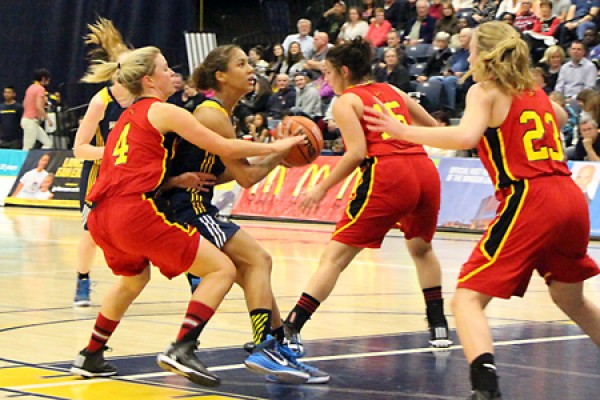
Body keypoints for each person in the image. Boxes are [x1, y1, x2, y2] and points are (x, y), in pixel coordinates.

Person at [363, 21, 600, 400]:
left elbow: (464, 137)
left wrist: (403, 130)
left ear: (485, 56)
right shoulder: (533, 92)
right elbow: (559, 117)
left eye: (472, 49)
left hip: (530, 197)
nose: (468, 56)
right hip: (570, 197)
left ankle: (485, 390)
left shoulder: (484, 91)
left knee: (466, 299)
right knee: (571, 299)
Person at [68, 45, 305, 386]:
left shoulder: (124, 119)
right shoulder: (163, 111)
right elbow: (226, 148)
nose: (172, 74)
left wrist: (173, 179)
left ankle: (90, 354)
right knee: (223, 269)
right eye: (165, 69)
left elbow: (124, 165)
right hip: (135, 211)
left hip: (102, 215)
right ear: (149, 80)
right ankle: (183, 347)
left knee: (133, 280)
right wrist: (276, 147)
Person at [159, 44, 329, 384]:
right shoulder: (212, 114)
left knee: (255, 273)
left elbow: (226, 174)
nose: (251, 68)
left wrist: (277, 157)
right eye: (241, 64)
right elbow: (248, 177)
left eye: (250, 62)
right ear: (221, 75)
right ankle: (262, 348)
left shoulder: (224, 114)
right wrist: (278, 152)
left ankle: (277, 347)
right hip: (185, 206)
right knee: (259, 261)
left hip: (192, 203)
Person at [282, 37, 452, 361]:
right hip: (424, 171)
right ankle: (439, 324)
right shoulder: (393, 91)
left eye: (329, 73)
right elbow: (432, 127)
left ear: (344, 71)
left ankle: (291, 327)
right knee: (421, 248)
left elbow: (357, 153)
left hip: (389, 176)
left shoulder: (346, 101)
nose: (326, 80)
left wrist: (320, 188)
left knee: (334, 258)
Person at [71, 18, 136, 307]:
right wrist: (113, 152)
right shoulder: (101, 102)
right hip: (100, 175)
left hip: (133, 176)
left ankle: (193, 274)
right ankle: (82, 280)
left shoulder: (143, 101)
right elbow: (79, 149)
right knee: (91, 233)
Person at [21, 68, 53, 150]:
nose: (49, 80)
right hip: (31, 121)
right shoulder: (40, 89)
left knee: (48, 143)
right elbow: (39, 107)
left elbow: (25, 103)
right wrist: (48, 119)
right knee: (27, 147)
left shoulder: (30, 87)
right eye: (47, 78)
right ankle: (24, 162)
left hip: (29, 121)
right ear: (43, 78)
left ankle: (38, 161)